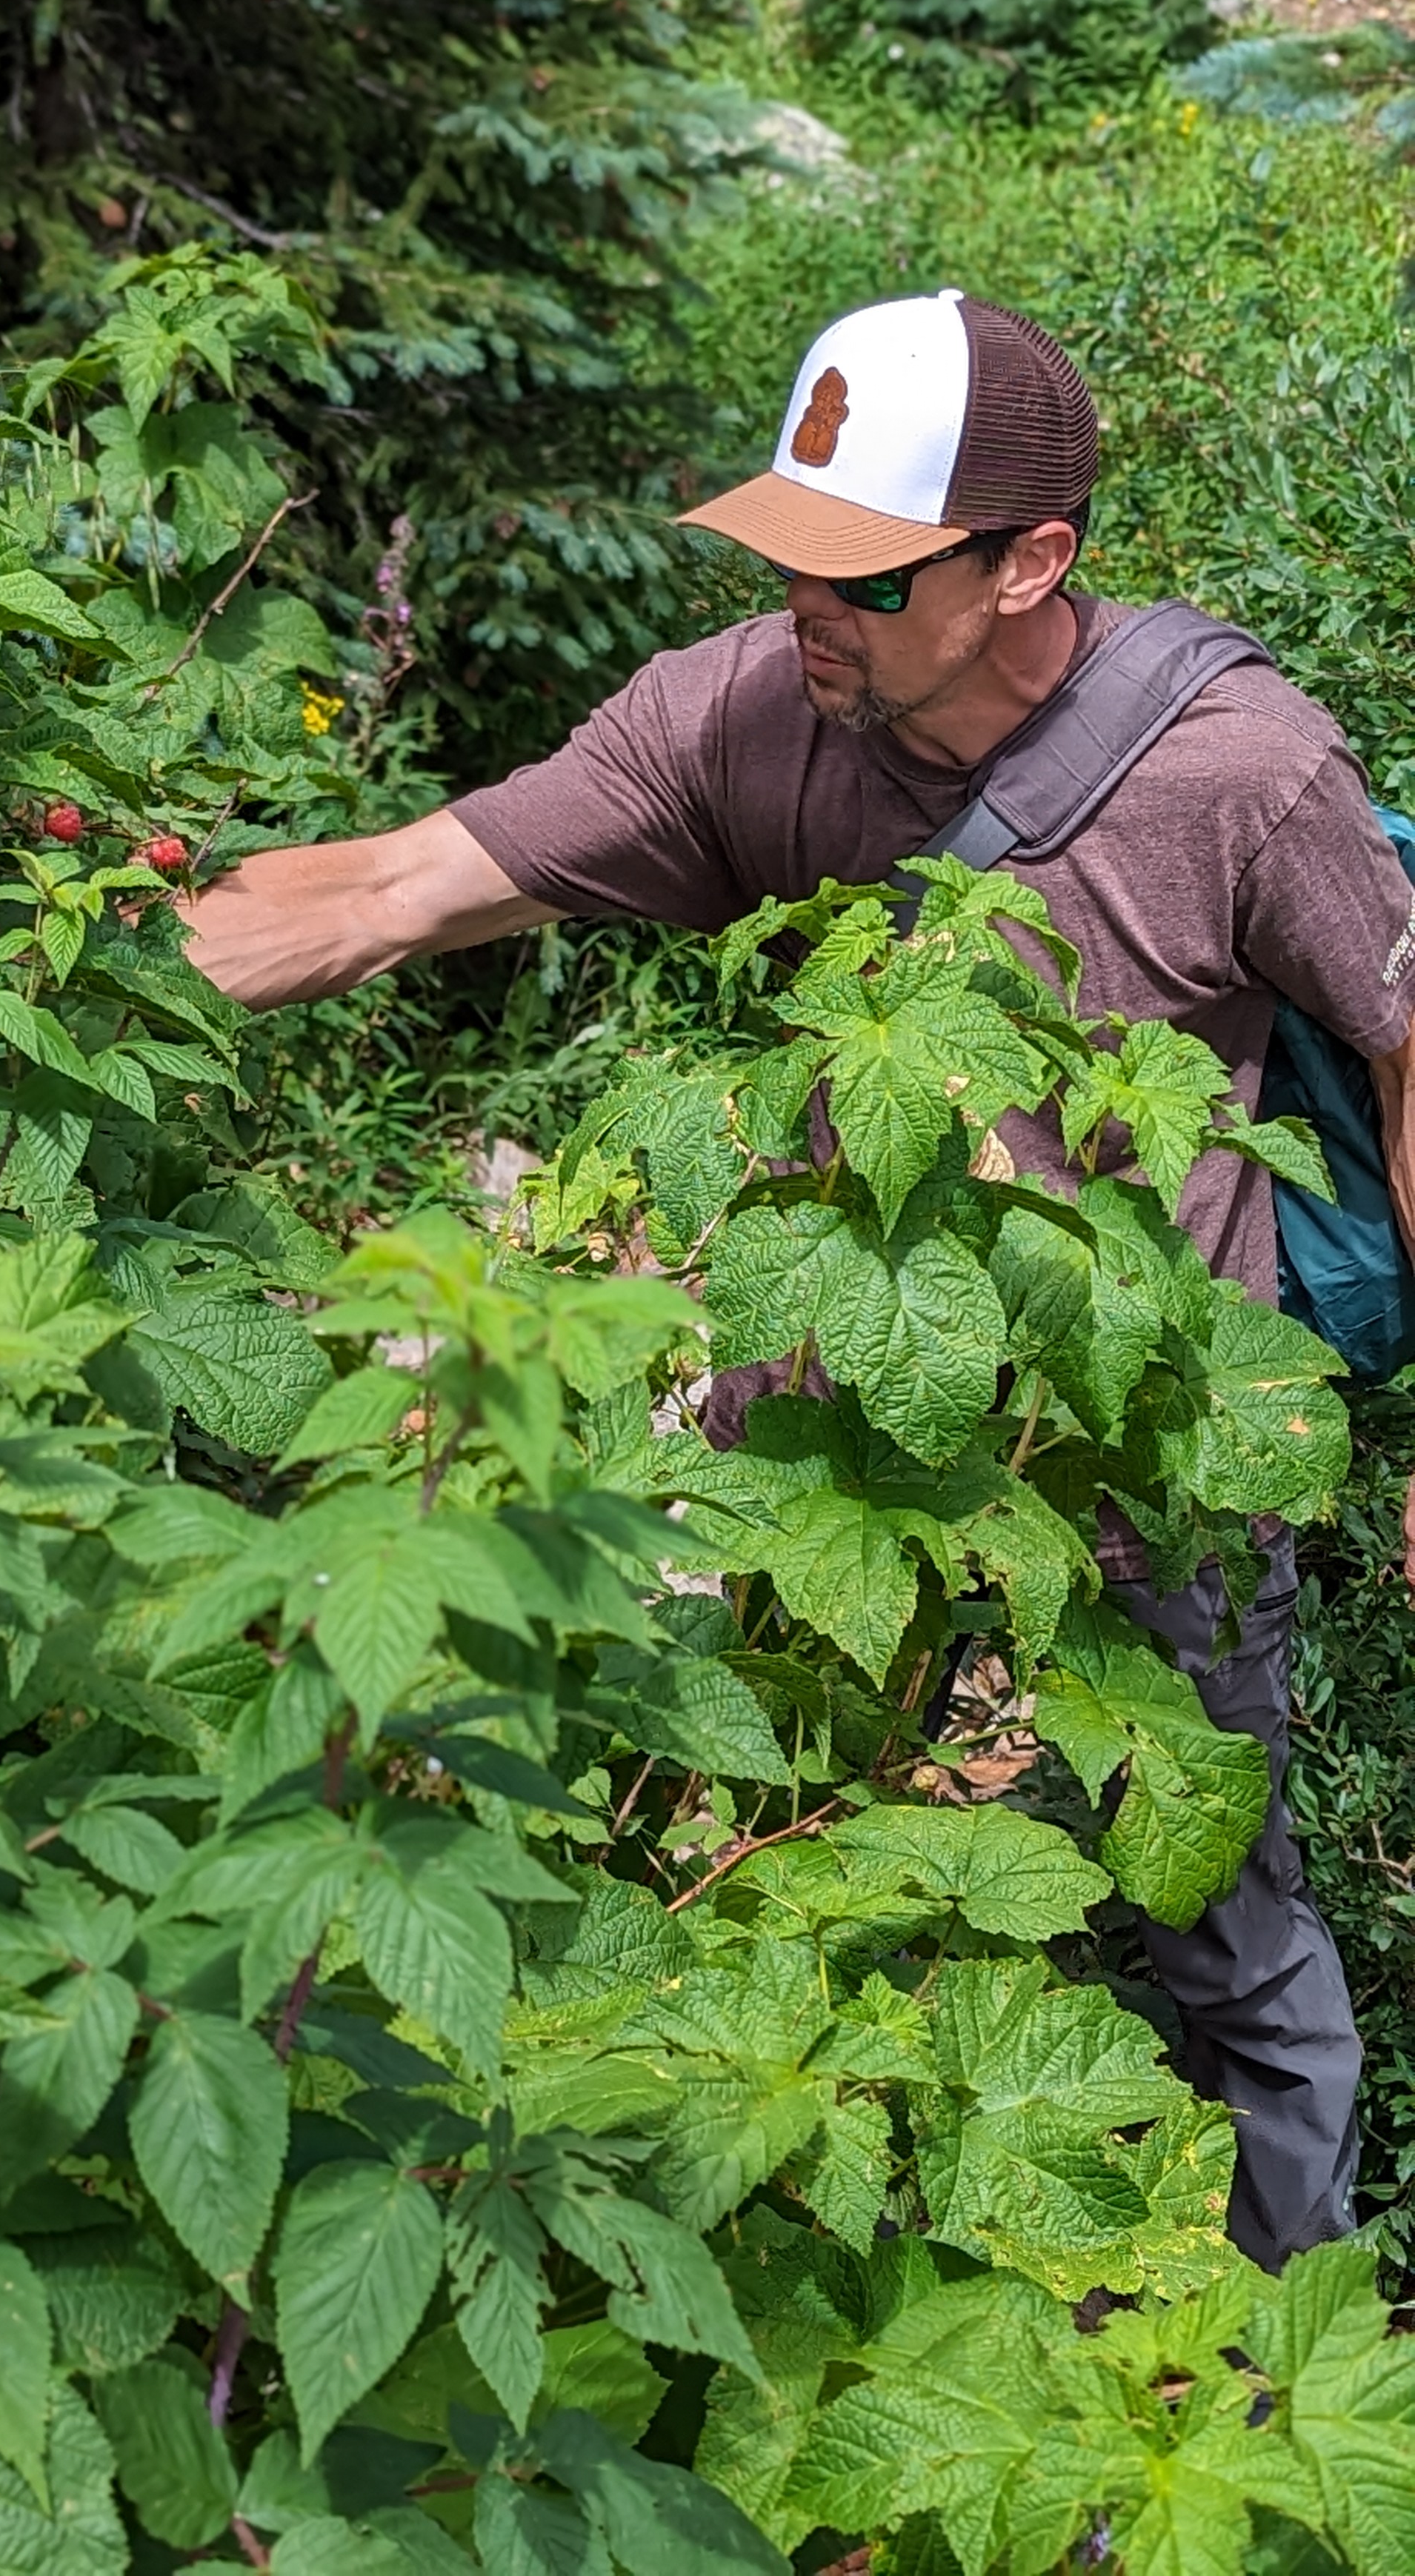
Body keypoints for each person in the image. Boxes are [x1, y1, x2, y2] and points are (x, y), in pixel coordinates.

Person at [182, 286, 1415, 2271]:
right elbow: (403, 884)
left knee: (1206, 1935)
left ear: (1033, 563)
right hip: (822, 1491)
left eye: (861, 571)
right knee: (821, 1924)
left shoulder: (1239, 771)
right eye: (785, 555)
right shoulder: (740, 712)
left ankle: (1274, 2368)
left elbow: (1404, 1044)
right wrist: (55, 967)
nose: (803, 609)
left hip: (1135, 1478)